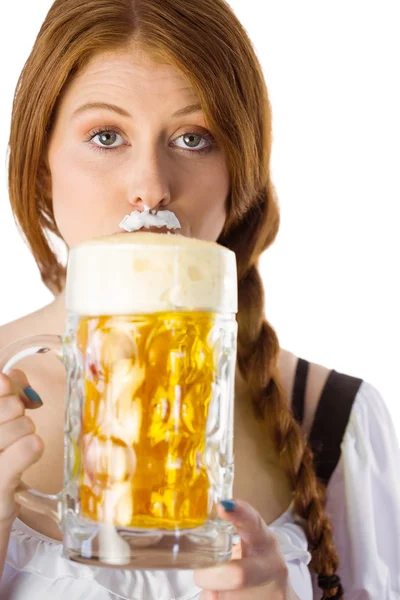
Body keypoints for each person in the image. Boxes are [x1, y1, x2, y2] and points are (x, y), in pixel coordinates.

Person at [0, 0, 399, 598]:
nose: (152, 188)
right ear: (40, 166)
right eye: (106, 136)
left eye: (193, 138)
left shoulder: (332, 417)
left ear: (241, 175)